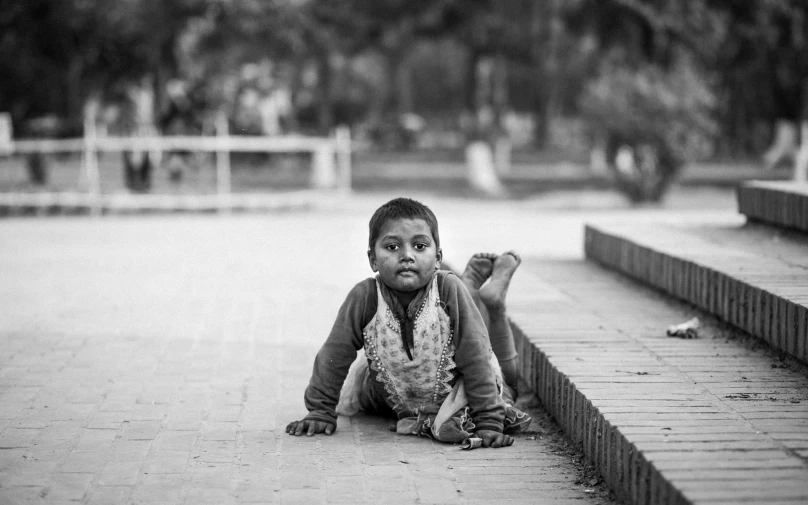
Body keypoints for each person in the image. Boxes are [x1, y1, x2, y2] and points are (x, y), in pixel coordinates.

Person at [285, 198, 530, 448]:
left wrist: (489, 420)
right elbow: (335, 353)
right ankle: (472, 285)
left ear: (437, 257)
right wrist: (320, 410)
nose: (407, 256)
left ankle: (493, 305)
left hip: (457, 390)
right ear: (372, 259)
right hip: (392, 392)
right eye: (392, 247)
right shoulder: (364, 296)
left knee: (508, 383)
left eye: (420, 246)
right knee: (365, 389)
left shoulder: (446, 290)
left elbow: (476, 356)